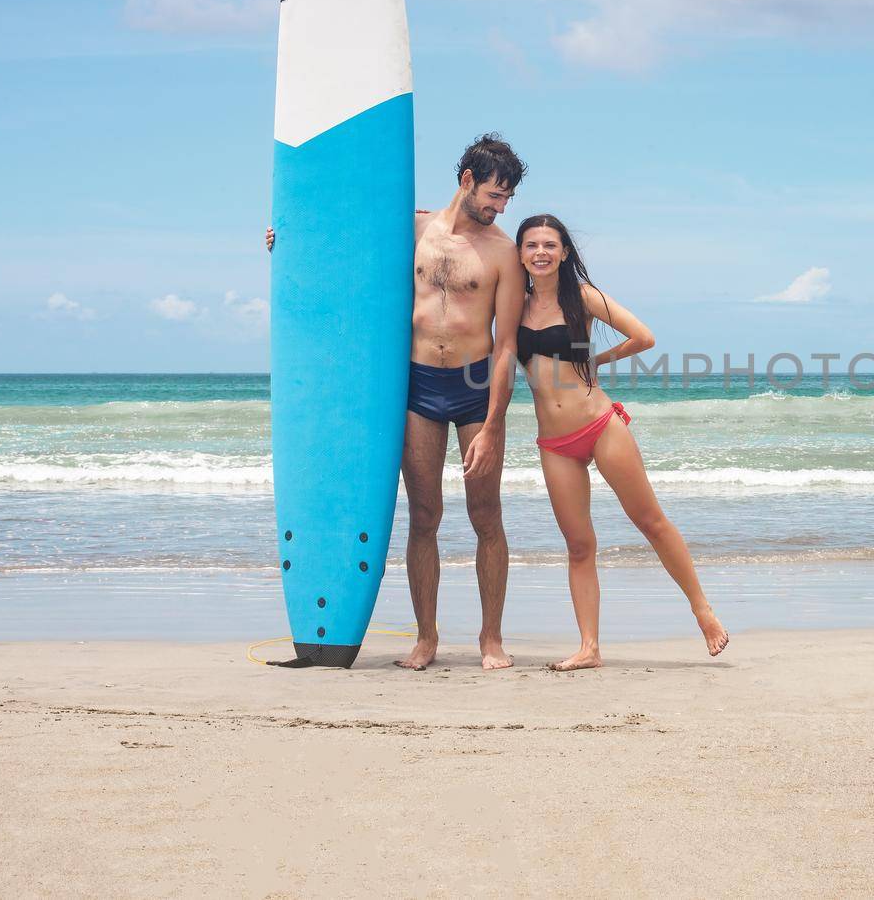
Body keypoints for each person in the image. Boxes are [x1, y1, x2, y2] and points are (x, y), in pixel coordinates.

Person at [269, 134, 526, 670]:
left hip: (476, 388)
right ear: (466, 180)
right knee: (425, 514)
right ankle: (426, 637)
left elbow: (506, 345)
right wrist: (287, 244)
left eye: (506, 199)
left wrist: (496, 423)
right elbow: (342, 250)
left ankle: (491, 638)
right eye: (494, 194)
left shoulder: (503, 252)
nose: (499, 207)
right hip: (419, 386)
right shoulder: (413, 229)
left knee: (486, 515)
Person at [514, 213, 729, 670]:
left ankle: (702, 610)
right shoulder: (514, 303)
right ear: (520, 253)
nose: (541, 253)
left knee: (649, 521)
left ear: (565, 252)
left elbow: (643, 336)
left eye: (550, 245)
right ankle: (589, 647)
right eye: (531, 245)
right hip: (555, 443)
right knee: (578, 546)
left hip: (599, 425)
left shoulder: (582, 297)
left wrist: (598, 361)